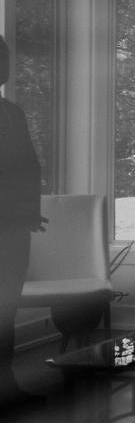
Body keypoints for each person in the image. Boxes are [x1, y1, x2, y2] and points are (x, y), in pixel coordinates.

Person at [0, 36, 43, 390]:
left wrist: (31, 209)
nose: (6, 65)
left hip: (15, 229)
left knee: (8, 309)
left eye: (6, 57)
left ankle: (8, 383)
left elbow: (30, 165)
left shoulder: (12, 112)